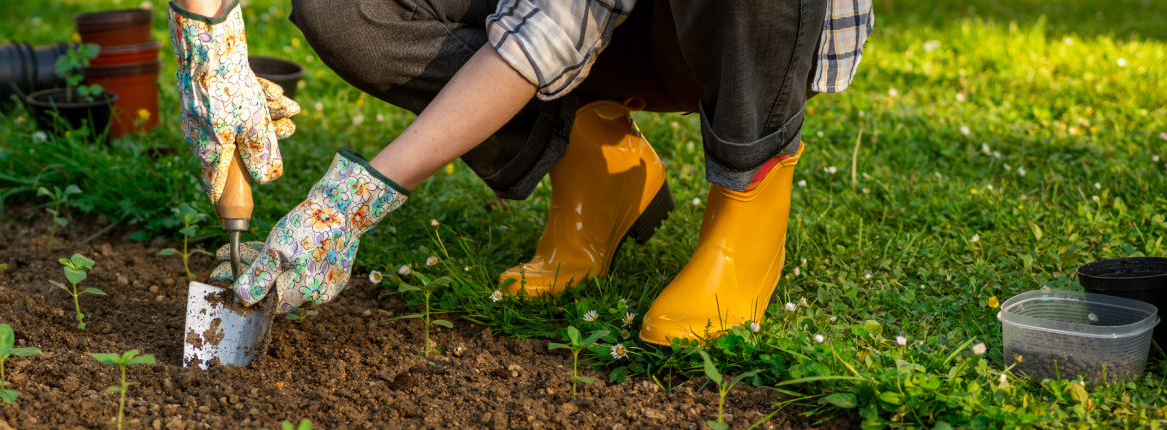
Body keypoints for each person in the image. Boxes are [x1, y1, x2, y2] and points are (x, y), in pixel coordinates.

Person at [168, 0, 872, 344]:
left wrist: (349, 204)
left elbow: (560, 20)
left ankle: (746, 210)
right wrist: (205, 32)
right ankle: (599, 167)